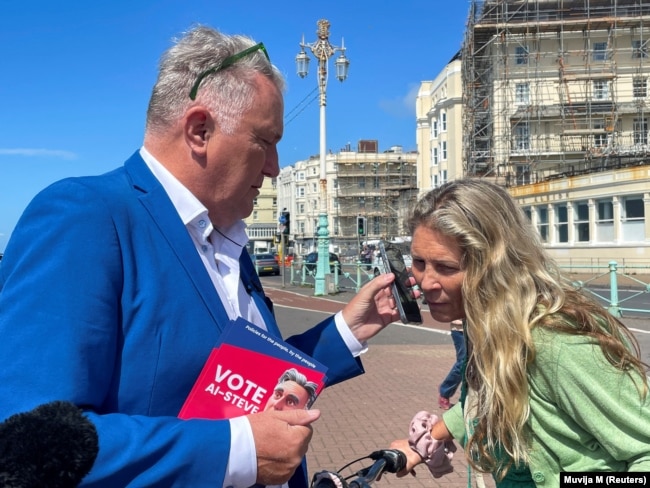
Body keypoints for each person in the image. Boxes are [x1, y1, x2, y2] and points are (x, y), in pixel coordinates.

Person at [0, 25, 410, 487]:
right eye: (265, 140)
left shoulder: (226, 239)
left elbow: (247, 378)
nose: (274, 166)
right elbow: (25, 445)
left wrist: (347, 330)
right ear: (199, 129)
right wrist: (237, 451)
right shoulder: (86, 216)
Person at [390, 179, 650, 486]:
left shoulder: (556, 343)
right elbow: (490, 404)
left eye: (446, 267)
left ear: (495, 266)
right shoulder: (487, 325)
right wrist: (424, 442)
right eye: (419, 262)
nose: (426, 281)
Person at [437, 319, 466, 410]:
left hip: (476, 328)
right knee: (463, 362)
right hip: (460, 329)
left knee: (475, 363)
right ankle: (445, 392)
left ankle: (466, 398)